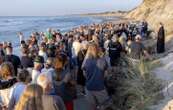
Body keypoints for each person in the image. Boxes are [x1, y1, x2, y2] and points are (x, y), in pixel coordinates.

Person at [82, 43, 109, 110]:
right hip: (100, 87)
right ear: (97, 50)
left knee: (92, 107)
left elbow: (84, 74)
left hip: (89, 87)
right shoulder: (102, 60)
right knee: (104, 106)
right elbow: (106, 74)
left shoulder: (86, 62)